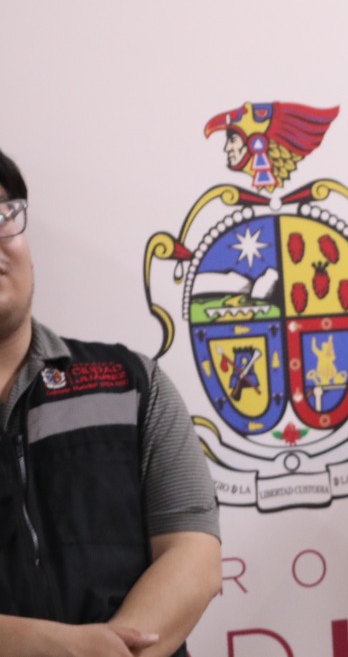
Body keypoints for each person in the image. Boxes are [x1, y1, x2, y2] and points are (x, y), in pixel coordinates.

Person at [0, 146, 222, 657]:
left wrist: (110, 652)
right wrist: (55, 648)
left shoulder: (131, 384)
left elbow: (193, 551)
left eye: (3, 216)